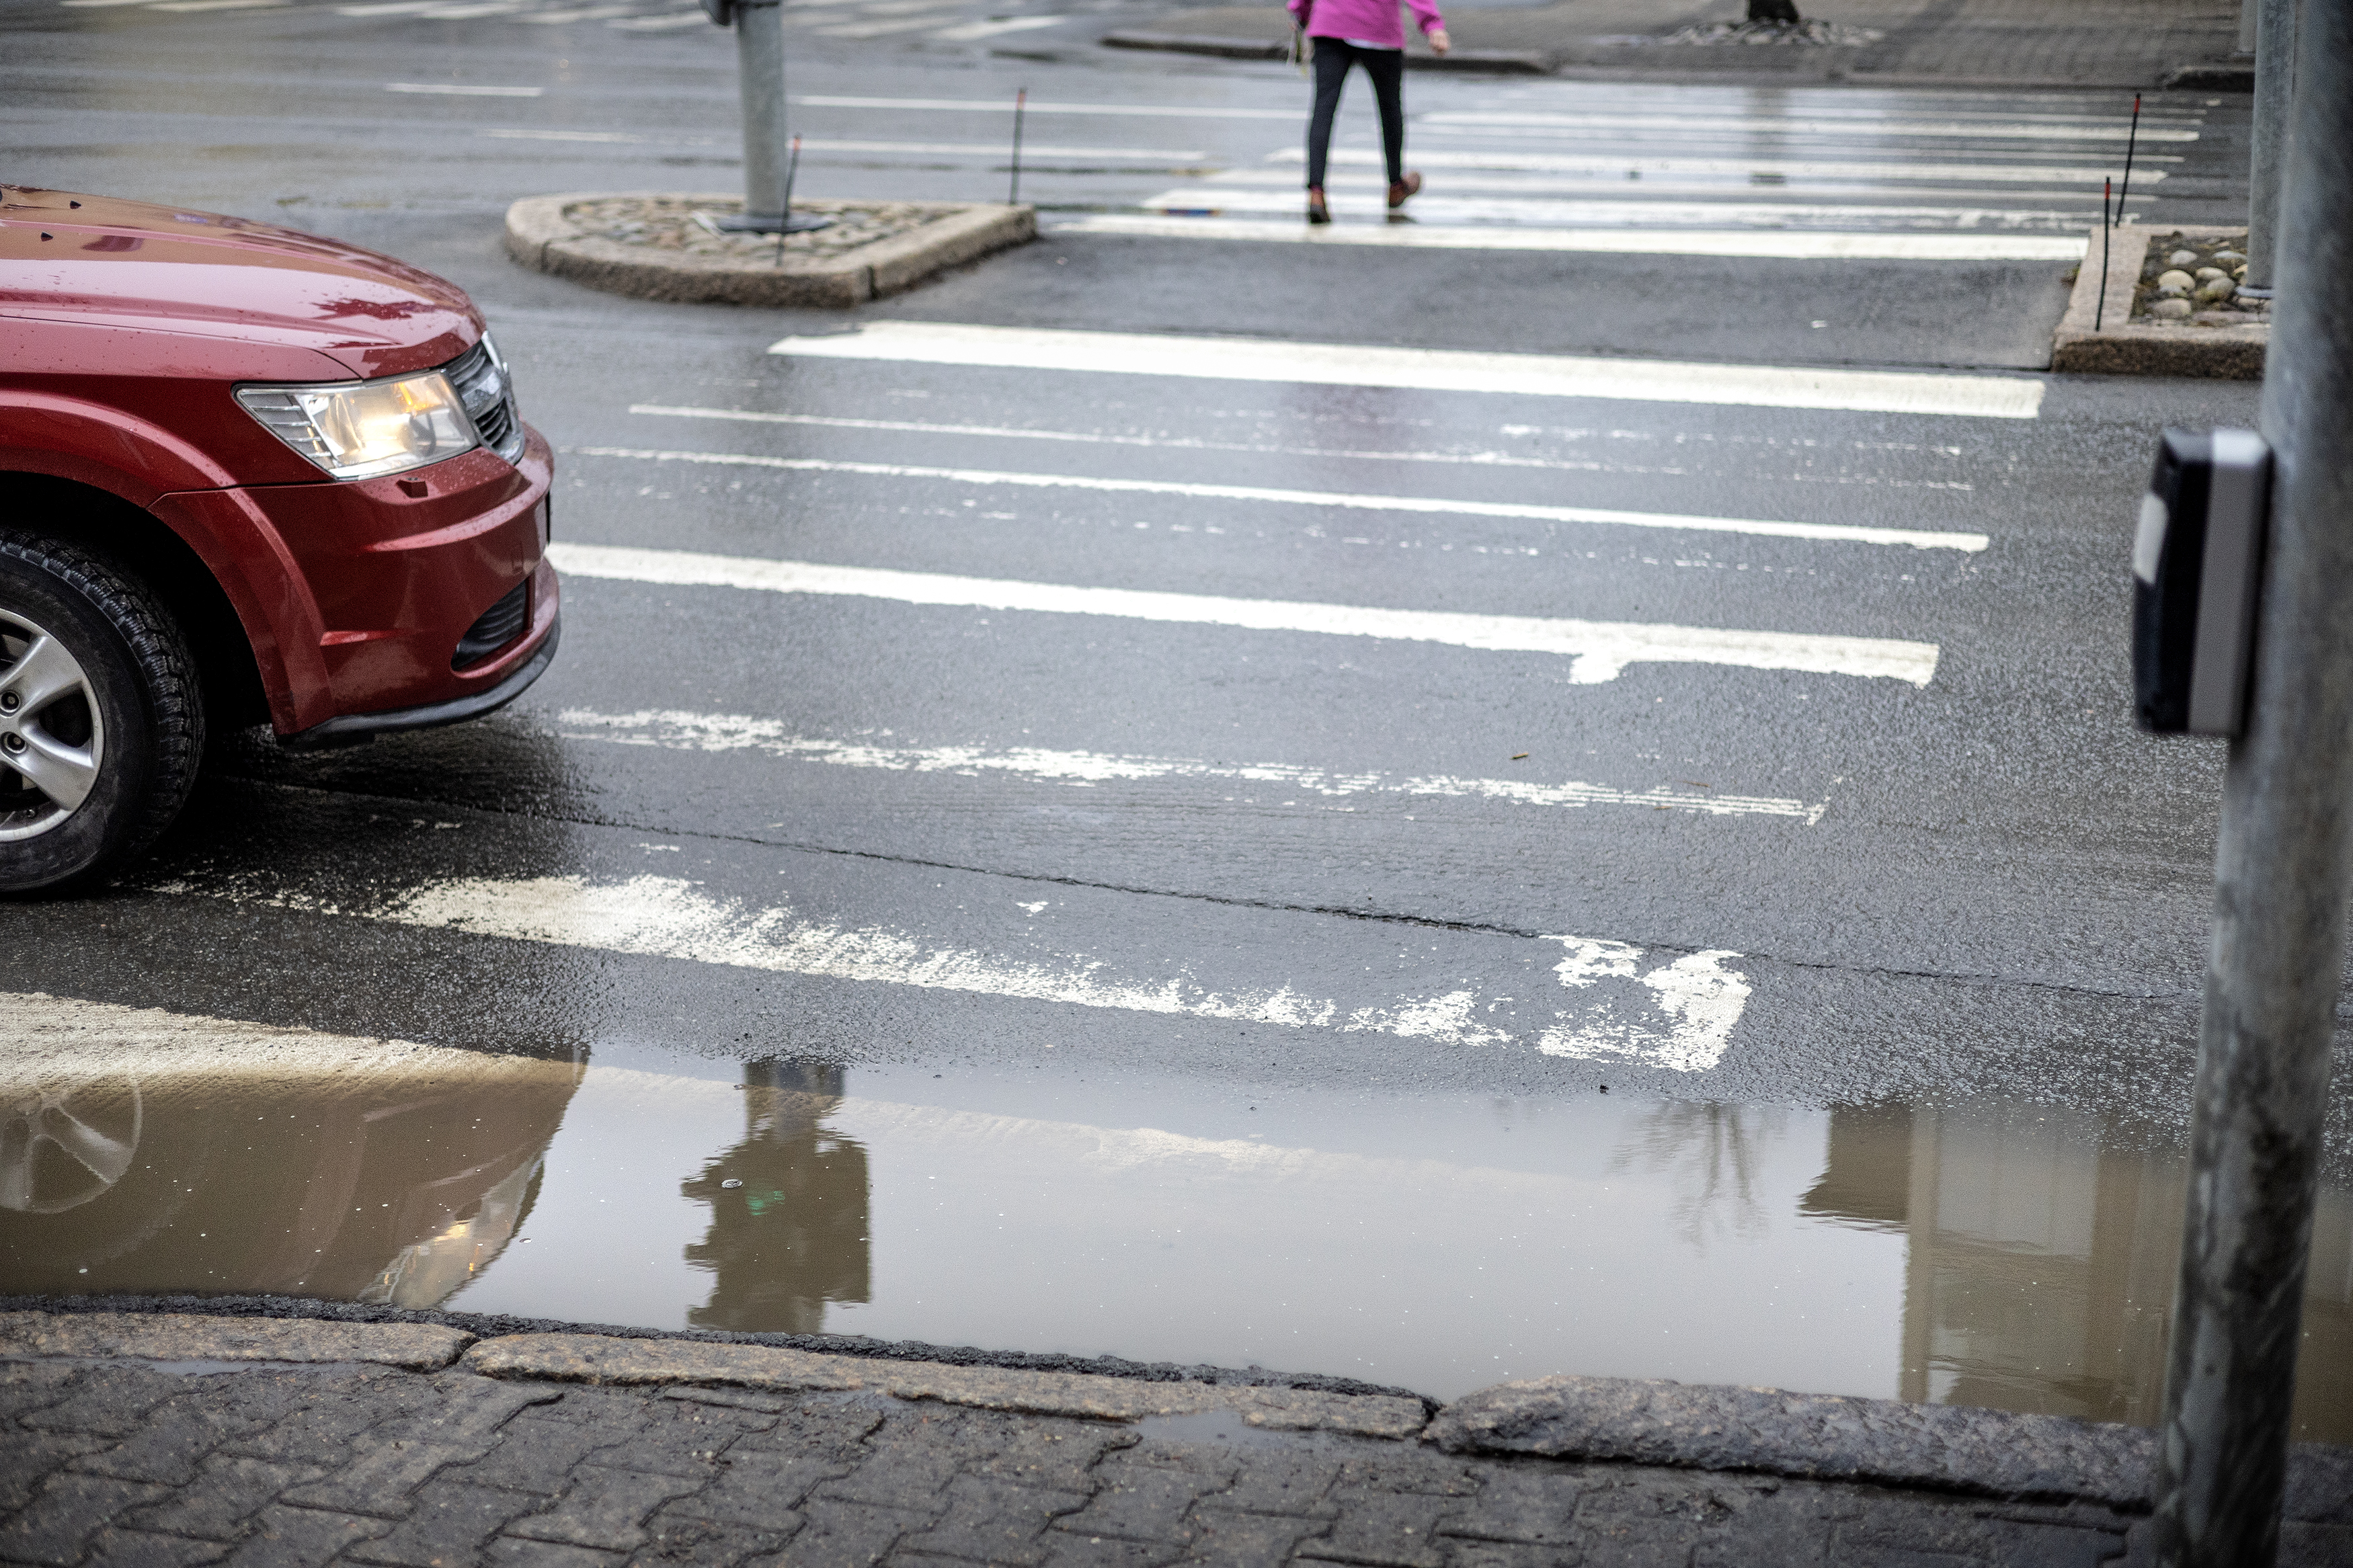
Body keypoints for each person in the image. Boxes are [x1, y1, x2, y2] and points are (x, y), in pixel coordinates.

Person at [1288, 0, 1449, 224]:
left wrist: (1300, 11)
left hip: (1331, 23)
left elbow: (1301, 7)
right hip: (1378, 27)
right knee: (1390, 109)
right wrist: (1432, 25)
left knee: (1323, 110)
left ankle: (1316, 193)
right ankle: (1395, 186)